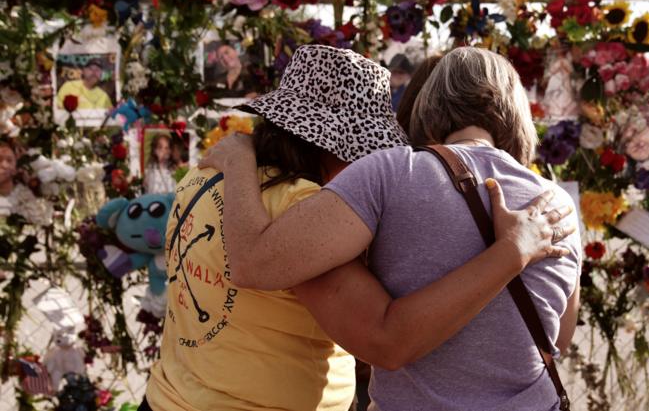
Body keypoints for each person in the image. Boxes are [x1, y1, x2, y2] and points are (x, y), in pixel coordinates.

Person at [144, 45, 575, 411]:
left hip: (171, 393)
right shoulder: (556, 205)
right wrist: (510, 253)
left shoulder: (204, 175)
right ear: (330, 144)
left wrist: (240, 160)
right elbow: (386, 339)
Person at [0, 139, 51, 225]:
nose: (4, 165)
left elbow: (41, 222)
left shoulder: (25, 197)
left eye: (9, 160)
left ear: (15, 169)